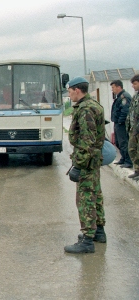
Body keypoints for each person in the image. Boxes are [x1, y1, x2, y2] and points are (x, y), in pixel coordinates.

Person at [64, 77, 106, 254]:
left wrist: (79, 166)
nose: (69, 94)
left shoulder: (86, 108)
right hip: (93, 160)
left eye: (69, 91)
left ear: (77, 90)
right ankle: (99, 232)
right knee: (95, 194)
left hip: (87, 162)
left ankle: (87, 240)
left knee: (85, 198)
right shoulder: (93, 105)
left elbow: (86, 140)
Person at [110, 80, 132, 168]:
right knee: (118, 143)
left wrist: (120, 121)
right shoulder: (118, 97)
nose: (112, 90)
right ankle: (123, 158)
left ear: (119, 87)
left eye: (113, 87)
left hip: (122, 124)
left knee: (123, 142)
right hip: (117, 123)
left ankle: (128, 161)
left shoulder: (124, 97)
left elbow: (125, 110)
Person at [126, 74, 139, 180]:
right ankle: (137, 170)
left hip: (137, 129)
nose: (133, 86)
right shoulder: (135, 96)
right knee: (132, 149)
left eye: (135, 83)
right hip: (133, 129)